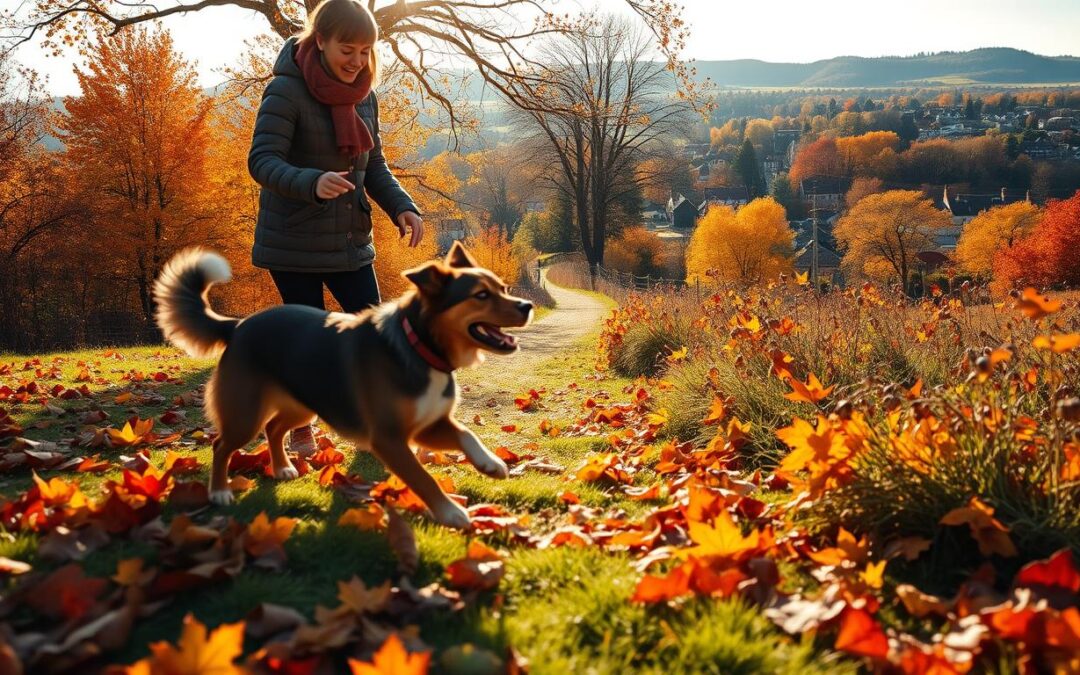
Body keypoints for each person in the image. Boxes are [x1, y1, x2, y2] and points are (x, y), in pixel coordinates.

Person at [248, 0, 423, 456]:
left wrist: (403, 207)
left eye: (366, 51)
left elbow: (375, 166)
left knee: (375, 338)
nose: (358, 60)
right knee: (307, 347)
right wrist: (311, 181)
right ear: (320, 40)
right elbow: (262, 161)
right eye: (348, 48)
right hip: (294, 241)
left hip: (350, 241)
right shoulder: (285, 92)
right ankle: (298, 427)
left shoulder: (365, 94)